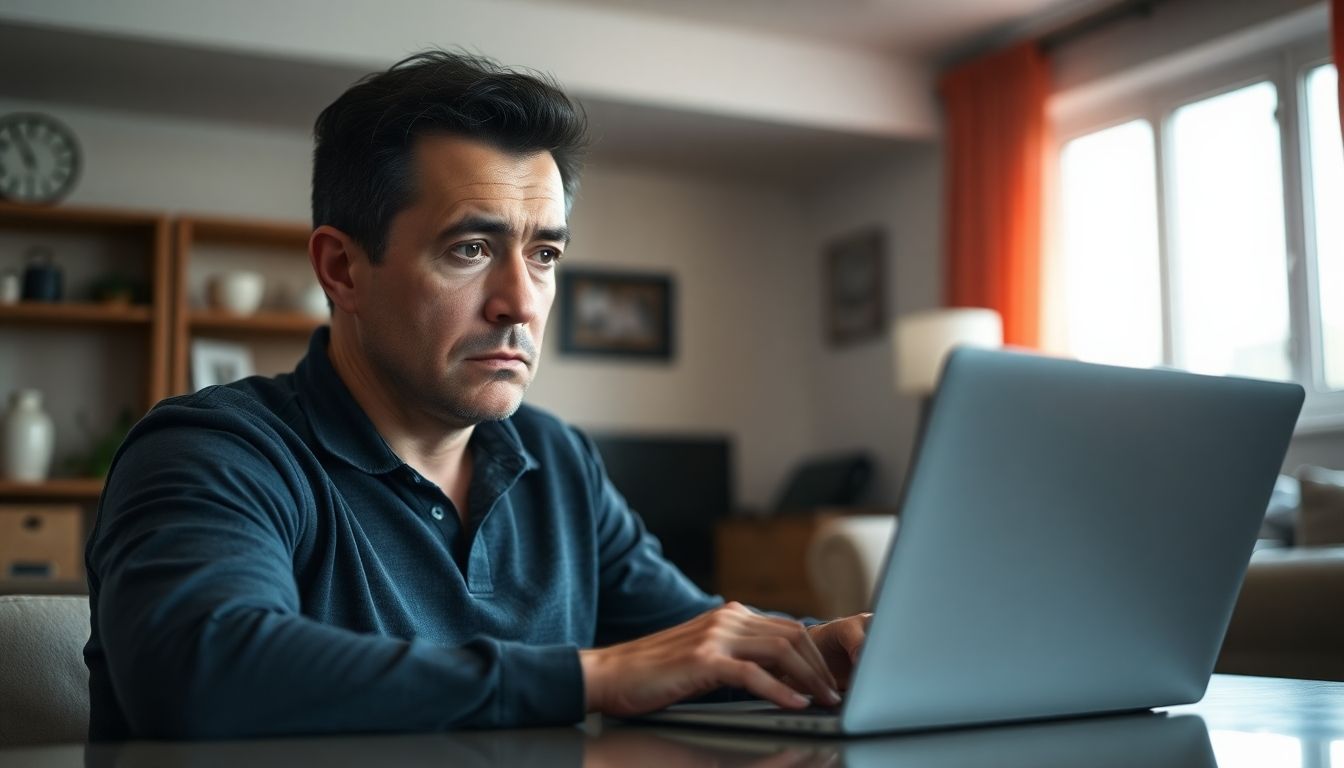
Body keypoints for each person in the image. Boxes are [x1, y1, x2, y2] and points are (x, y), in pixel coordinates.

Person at [83, 50, 871, 741]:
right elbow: (200, 671)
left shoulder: (557, 460)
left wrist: (834, 646)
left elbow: (692, 644)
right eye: (470, 248)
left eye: (545, 253)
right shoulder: (214, 451)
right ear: (342, 270)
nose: (520, 303)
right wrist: (587, 678)